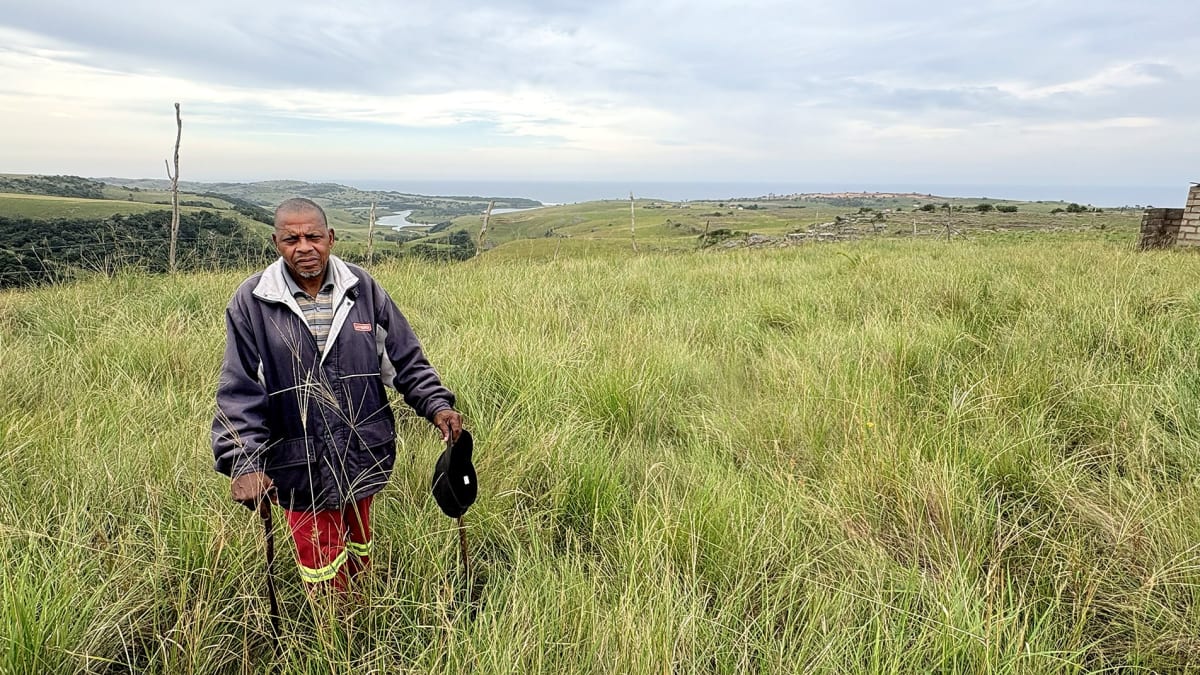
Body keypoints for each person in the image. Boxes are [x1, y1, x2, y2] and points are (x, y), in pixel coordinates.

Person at [212, 197, 462, 590]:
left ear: (330, 237)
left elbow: (403, 358)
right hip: (297, 464)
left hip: (362, 452)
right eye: (291, 239)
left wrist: (437, 405)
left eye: (313, 237)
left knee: (360, 544)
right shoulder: (253, 300)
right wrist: (244, 461)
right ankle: (335, 622)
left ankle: (364, 604)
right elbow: (240, 388)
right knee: (322, 563)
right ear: (276, 243)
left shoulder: (361, 289)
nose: (304, 247)